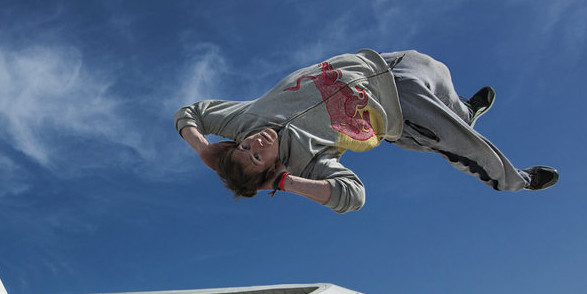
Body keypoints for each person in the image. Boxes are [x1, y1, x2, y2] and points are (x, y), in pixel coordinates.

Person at [175, 49, 558, 214]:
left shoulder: (245, 121)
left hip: (383, 61)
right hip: (400, 108)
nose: (256, 142)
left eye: (244, 146)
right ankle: (518, 180)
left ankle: (464, 110)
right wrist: (286, 184)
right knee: (465, 144)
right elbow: (351, 197)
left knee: (438, 71)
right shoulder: (311, 162)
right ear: (271, 168)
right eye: (257, 155)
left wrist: (203, 149)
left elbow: (191, 112)